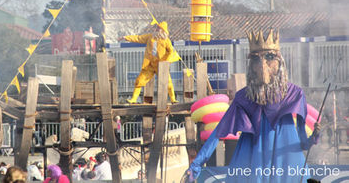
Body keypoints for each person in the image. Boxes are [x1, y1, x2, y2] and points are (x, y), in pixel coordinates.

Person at [187, 29, 321, 183]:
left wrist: (314, 137)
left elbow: (303, 143)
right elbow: (219, 132)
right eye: (256, 60)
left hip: (285, 162)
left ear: (279, 62)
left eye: (269, 57)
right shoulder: (243, 97)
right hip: (252, 162)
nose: (263, 65)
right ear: (251, 65)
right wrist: (195, 165)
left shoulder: (294, 94)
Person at [119, 21, 179, 104]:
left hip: (161, 65)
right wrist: (126, 37)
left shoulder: (166, 41)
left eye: (159, 28)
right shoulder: (150, 37)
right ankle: (133, 99)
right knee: (139, 81)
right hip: (149, 65)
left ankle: (173, 99)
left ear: (163, 30)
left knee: (168, 82)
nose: (156, 29)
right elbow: (138, 38)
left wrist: (166, 61)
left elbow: (170, 51)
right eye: (157, 28)